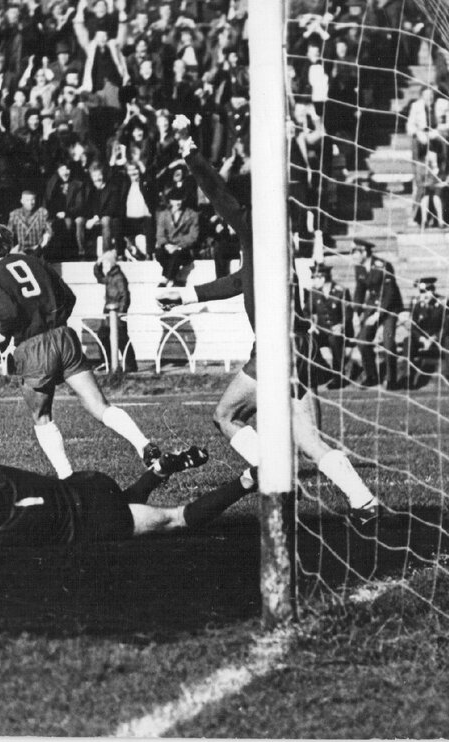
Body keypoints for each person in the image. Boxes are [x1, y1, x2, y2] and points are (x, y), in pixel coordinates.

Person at [155, 138, 381, 524]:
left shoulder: (254, 228)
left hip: (276, 348)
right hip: (300, 344)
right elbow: (240, 280)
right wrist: (187, 295)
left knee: (226, 415)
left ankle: (272, 472)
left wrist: (191, 153)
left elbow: (218, 194)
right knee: (308, 439)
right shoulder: (274, 240)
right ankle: (363, 500)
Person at [0, 216, 164, 479]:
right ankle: (143, 444)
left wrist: (0, 334)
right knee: (99, 404)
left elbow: (8, 314)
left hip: (33, 348)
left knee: (42, 417)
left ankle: (67, 477)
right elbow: (69, 297)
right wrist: (53, 323)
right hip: (64, 337)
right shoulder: (32, 260)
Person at [0, 436, 244, 550]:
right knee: (127, 502)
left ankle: (247, 481)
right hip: (92, 484)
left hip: (100, 520)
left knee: (176, 519)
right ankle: (160, 469)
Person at [351, 240, 404, 389]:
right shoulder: (359, 268)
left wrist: (377, 315)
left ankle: (392, 379)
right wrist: (356, 312)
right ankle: (371, 376)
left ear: (364, 252)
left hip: (389, 307)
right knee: (362, 341)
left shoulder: (384, 265)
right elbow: (360, 291)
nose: (353, 256)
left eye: (355, 252)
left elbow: (390, 293)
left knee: (388, 342)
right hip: (373, 305)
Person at [304, 262, 353, 387]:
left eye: (315, 278)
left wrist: (341, 325)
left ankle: (339, 378)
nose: (313, 281)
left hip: (338, 331)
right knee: (308, 341)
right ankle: (323, 372)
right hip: (321, 330)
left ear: (323, 278)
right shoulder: (314, 293)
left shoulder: (341, 291)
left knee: (335, 341)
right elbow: (307, 311)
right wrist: (311, 324)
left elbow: (348, 314)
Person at [94, 248, 137, 372]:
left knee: (122, 339)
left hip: (117, 313)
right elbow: (99, 278)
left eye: (106, 263)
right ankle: (107, 362)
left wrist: (120, 313)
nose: (105, 266)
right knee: (104, 336)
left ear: (111, 263)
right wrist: (97, 264)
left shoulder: (118, 277)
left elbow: (125, 295)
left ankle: (130, 365)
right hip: (109, 312)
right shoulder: (110, 276)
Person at [404, 276, 449, 390]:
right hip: (422, 339)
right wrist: (422, 339)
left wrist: (433, 339)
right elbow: (413, 326)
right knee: (408, 341)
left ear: (433, 291)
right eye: (422, 292)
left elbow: (446, 327)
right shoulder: (416, 302)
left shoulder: (443, 302)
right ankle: (408, 377)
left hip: (437, 338)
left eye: (428, 291)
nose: (425, 295)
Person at [154, 188, 200, 287]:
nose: (178, 203)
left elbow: (193, 236)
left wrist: (178, 245)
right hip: (168, 246)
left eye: (180, 199)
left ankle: (166, 279)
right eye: (175, 200)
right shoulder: (164, 214)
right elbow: (160, 234)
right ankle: (176, 278)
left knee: (177, 255)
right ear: (170, 201)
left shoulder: (192, 215)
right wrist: (166, 245)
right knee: (159, 254)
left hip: (183, 247)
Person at [7, 189, 53, 256]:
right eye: (27, 200)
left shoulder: (42, 212)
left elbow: (49, 232)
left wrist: (41, 246)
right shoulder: (14, 214)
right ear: (22, 201)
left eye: (33, 200)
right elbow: (9, 235)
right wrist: (12, 250)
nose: (31, 203)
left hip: (38, 251)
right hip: (20, 251)